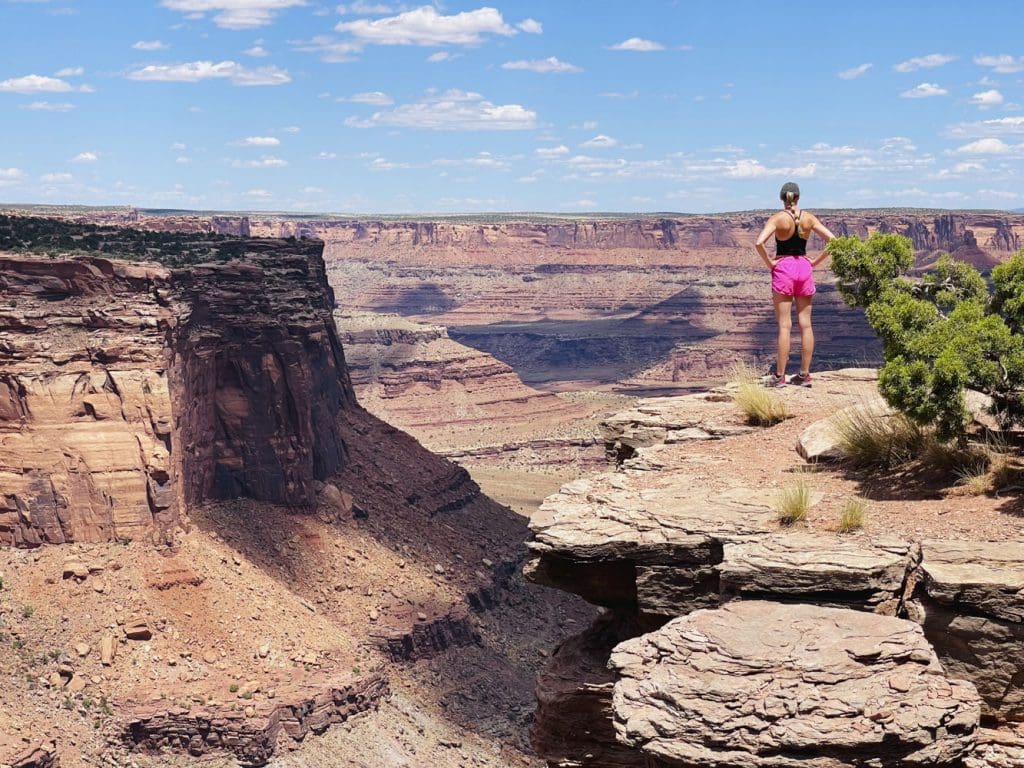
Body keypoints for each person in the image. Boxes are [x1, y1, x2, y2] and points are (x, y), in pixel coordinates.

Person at [754, 182, 836, 387]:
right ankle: (804, 374)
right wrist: (816, 262)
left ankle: (780, 376)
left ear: (782, 198)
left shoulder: (777, 218)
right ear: (798, 197)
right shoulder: (809, 218)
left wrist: (770, 263)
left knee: (784, 325)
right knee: (805, 324)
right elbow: (833, 240)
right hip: (804, 268)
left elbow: (758, 243)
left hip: (784, 268)